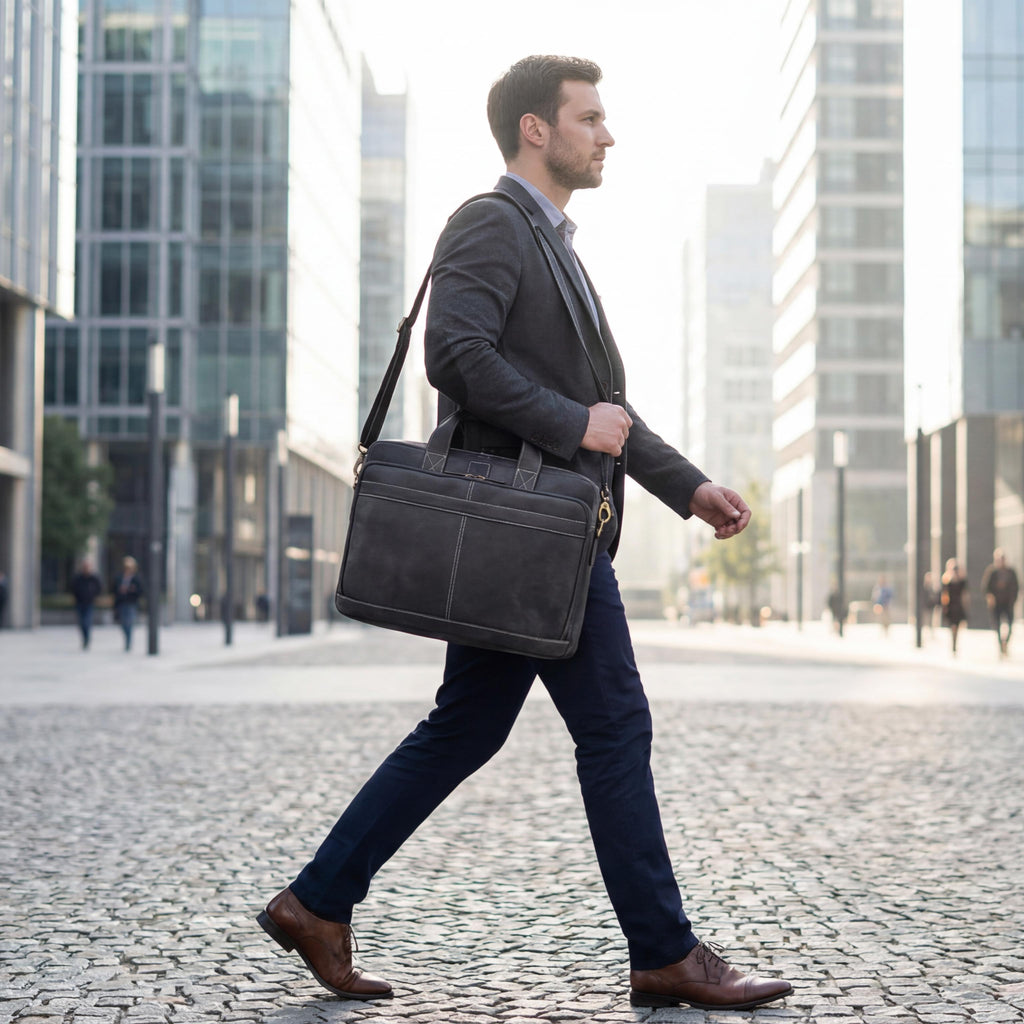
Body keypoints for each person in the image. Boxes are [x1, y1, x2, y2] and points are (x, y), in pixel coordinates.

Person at [256, 56, 792, 1012]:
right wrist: (572, 423)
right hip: (534, 534)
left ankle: (317, 901)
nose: (607, 134)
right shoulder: (492, 222)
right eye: (590, 118)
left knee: (467, 725)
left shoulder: (555, 244)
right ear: (535, 130)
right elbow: (454, 354)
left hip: (540, 536)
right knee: (614, 726)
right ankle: (665, 951)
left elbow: (609, 410)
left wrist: (689, 487)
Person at [981, 549, 1019, 658]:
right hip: (996, 604)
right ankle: (1000, 645)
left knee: (1010, 625)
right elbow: (986, 587)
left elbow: (1016, 586)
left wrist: (1013, 599)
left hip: (1008, 603)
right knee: (997, 625)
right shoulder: (992, 572)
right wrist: (990, 598)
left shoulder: (1011, 572)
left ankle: (1006, 643)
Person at [112, 556, 144, 651]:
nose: (128, 569)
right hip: (121, 602)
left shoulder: (136, 578)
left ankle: (128, 641)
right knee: (123, 623)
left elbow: (140, 591)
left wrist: (131, 590)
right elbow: (114, 588)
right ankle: (126, 638)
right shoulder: (119, 577)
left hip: (131, 602)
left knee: (129, 622)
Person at [70, 558, 103, 649]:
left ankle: (87, 638)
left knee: (87, 622)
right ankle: (84, 638)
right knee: (81, 622)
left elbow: (99, 588)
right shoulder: (78, 578)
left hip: (89, 603)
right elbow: (73, 588)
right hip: (79, 603)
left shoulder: (94, 578)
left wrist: (95, 597)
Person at [940, 558, 968, 655]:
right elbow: (944, 594)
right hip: (950, 606)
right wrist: (944, 605)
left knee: (957, 625)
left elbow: (965, 594)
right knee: (952, 626)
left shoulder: (962, 581)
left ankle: (955, 642)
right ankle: (953, 643)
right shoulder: (946, 580)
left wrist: (965, 605)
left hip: (958, 606)